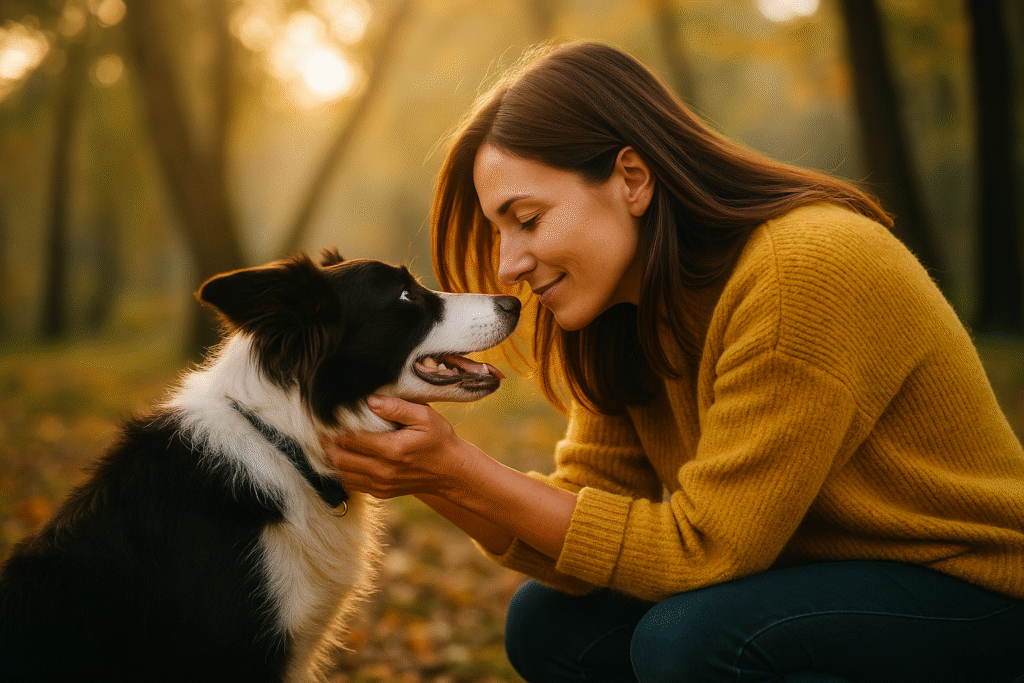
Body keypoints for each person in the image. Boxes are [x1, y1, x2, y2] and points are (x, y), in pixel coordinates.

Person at [322, 42, 1024, 682]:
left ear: (631, 177)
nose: (508, 264)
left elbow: (704, 549)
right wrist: (429, 474)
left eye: (527, 219)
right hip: (812, 581)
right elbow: (582, 536)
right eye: (498, 230)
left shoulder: (802, 271)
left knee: (689, 641)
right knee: (549, 622)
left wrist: (459, 469)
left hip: (974, 590)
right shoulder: (623, 311)